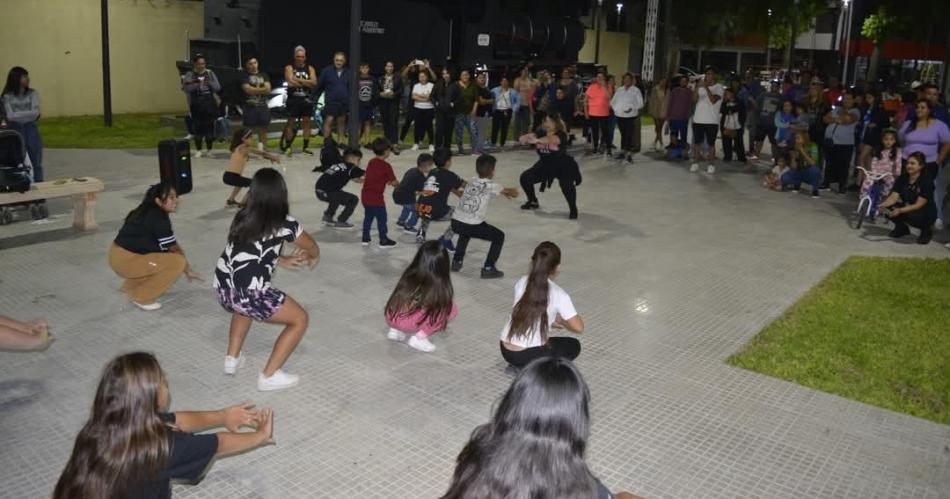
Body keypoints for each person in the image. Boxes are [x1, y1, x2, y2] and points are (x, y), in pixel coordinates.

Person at [53, 352, 274, 499]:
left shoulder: (99, 427)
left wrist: (222, 416)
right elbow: (220, 443)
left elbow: (178, 420)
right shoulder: (160, 447)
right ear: (149, 396)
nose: (167, 384)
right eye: (163, 381)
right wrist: (261, 435)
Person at [215, 168, 319, 391]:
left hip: (223, 288)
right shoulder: (285, 223)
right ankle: (269, 376)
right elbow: (309, 244)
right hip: (251, 294)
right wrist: (314, 255)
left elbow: (249, 250)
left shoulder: (242, 216)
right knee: (299, 319)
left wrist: (280, 259)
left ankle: (231, 360)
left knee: (243, 308)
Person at [109, 183, 202, 311]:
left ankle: (130, 287)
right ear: (158, 201)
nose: (176, 200)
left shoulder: (145, 210)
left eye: (176, 196)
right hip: (126, 261)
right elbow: (174, 249)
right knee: (177, 262)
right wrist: (187, 269)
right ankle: (141, 297)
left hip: (119, 256)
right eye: (171, 197)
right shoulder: (158, 218)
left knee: (160, 259)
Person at [498, 242, 584, 368]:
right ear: (557, 267)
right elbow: (579, 327)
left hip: (505, 349)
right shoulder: (559, 294)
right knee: (573, 345)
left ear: (533, 261)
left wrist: (551, 320)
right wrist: (562, 321)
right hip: (528, 355)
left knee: (543, 341)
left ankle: (519, 365)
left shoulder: (522, 281)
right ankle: (534, 369)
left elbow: (523, 311)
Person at [450, 154, 519, 279]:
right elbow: (510, 192)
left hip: (455, 222)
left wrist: (503, 192)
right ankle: (488, 268)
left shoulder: (471, 181)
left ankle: (457, 262)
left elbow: (481, 190)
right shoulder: (493, 185)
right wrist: (513, 192)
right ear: (492, 171)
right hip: (471, 224)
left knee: (465, 233)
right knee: (499, 236)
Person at [384, 240, 458, 352]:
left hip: (391, 318)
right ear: (443, 264)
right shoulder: (438, 283)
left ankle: (395, 331)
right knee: (451, 309)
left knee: (411, 305)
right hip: (410, 323)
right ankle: (419, 338)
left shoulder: (410, 273)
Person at [519, 115, 582, 219]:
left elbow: (551, 139)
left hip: (562, 165)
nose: (546, 124)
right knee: (525, 178)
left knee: (567, 186)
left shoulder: (561, 134)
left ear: (556, 123)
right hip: (545, 164)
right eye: (545, 122)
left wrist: (537, 141)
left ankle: (573, 208)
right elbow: (530, 135)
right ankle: (533, 201)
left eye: (550, 122)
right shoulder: (541, 131)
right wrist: (525, 137)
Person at [880, 152, 937, 244]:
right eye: (907, 163)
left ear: (921, 166)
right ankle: (901, 228)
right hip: (909, 207)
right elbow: (893, 197)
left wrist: (900, 210)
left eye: (912, 163)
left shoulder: (927, 181)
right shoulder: (902, 178)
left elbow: (918, 205)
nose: (908, 166)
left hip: (925, 212)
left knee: (911, 215)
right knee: (888, 209)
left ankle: (926, 231)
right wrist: (883, 205)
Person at [2, 66, 43, 182]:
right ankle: (22, 186)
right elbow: (9, 116)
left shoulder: (33, 93)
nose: (28, 79)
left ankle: (40, 191)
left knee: (36, 161)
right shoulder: (7, 96)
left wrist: (18, 114)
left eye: (27, 76)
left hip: (31, 129)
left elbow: (35, 113)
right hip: (15, 131)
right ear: (16, 78)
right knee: (18, 162)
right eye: (24, 76)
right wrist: (27, 114)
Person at [416, 147, 465, 243]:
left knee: (428, 204)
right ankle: (445, 240)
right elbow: (463, 184)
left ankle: (421, 233)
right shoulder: (450, 175)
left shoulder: (432, 172)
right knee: (462, 214)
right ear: (447, 162)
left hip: (420, 207)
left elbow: (446, 185)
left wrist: (458, 193)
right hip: (436, 211)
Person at [898, 99, 950, 182]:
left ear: (929, 110)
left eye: (923, 107)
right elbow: (901, 140)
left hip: (929, 164)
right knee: (905, 188)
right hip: (908, 162)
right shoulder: (908, 124)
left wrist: (938, 160)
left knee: (925, 190)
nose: (919, 110)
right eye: (917, 107)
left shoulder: (940, 125)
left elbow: (947, 143)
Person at [225, 128, 280, 207]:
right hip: (232, 176)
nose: (252, 139)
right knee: (255, 184)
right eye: (250, 138)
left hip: (229, 176)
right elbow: (262, 153)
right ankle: (244, 203)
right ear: (244, 139)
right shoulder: (244, 148)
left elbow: (261, 155)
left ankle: (231, 200)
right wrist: (273, 157)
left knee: (240, 182)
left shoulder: (238, 148)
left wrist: (269, 158)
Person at [361, 138, 399, 247]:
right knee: (382, 219)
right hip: (376, 198)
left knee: (368, 217)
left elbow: (373, 175)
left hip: (365, 196)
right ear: (386, 151)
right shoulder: (386, 166)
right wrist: (396, 183)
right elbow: (393, 181)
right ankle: (383, 239)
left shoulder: (371, 162)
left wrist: (385, 180)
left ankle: (365, 237)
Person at [279, 47, 317, 156]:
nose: (300, 59)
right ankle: (288, 146)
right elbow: (290, 83)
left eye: (302, 57)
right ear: (294, 57)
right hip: (293, 100)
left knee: (307, 123)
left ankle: (305, 147)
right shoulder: (289, 68)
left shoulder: (310, 68)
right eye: (298, 56)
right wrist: (307, 82)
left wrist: (298, 79)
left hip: (306, 100)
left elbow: (314, 82)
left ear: (305, 57)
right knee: (290, 123)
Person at [181, 55, 221, 158]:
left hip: (209, 103)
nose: (201, 66)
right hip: (196, 103)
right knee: (198, 127)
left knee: (209, 127)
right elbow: (185, 88)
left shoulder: (210, 73)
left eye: (203, 63)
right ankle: (198, 150)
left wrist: (209, 83)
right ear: (195, 64)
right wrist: (197, 84)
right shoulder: (190, 74)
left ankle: (209, 150)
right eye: (199, 64)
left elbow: (218, 87)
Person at [315, 147, 365, 228]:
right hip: (328, 192)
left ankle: (328, 216)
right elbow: (367, 174)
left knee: (337, 196)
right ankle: (341, 220)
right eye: (358, 160)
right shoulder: (350, 167)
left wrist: (364, 181)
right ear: (351, 158)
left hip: (320, 190)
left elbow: (355, 179)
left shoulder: (339, 165)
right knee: (353, 199)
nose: (359, 163)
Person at [822, 90, 861, 194]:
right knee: (829, 163)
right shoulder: (838, 109)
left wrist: (838, 117)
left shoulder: (855, 111)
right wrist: (837, 119)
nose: (846, 101)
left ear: (854, 100)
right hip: (831, 141)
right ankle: (826, 183)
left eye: (849, 99)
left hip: (845, 143)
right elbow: (825, 118)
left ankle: (842, 186)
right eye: (844, 99)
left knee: (843, 165)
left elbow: (847, 120)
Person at [859, 129, 900, 208]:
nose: (888, 142)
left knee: (889, 183)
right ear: (882, 140)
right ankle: (863, 197)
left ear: (895, 141)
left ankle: (881, 199)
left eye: (891, 139)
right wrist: (872, 172)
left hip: (887, 173)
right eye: (886, 139)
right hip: (876, 172)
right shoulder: (878, 150)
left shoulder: (897, 151)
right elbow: (874, 161)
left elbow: (898, 163)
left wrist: (897, 173)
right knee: (867, 181)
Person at [400, 59, 437, 145]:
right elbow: (402, 76)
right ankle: (401, 139)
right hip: (412, 101)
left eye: (424, 64)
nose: (422, 66)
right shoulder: (415, 74)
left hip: (426, 104)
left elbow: (435, 78)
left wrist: (429, 67)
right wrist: (409, 66)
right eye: (420, 64)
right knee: (408, 120)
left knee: (423, 122)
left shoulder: (428, 76)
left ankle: (420, 140)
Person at [316, 51, 350, 144]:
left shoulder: (348, 72)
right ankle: (327, 142)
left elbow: (351, 88)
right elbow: (320, 85)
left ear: (344, 61)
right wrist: (313, 96)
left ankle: (340, 142)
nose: (338, 62)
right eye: (337, 60)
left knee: (341, 122)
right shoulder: (327, 71)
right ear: (333, 60)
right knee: (329, 120)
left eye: (341, 60)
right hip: (331, 100)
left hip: (343, 102)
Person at [394, 153, 434, 232]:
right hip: (406, 196)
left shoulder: (412, 170)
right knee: (418, 210)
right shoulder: (420, 177)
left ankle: (401, 221)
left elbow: (408, 183)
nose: (431, 168)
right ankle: (409, 226)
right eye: (431, 165)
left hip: (397, 193)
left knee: (407, 207)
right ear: (425, 165)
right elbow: (422, 191)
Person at [240, 56, 272, 151]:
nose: (253, 65)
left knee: (263, 129)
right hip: (250, 106)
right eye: (250, 63)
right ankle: (247, 150)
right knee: (249, 130)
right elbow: (247, 90)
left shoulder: (264, 75)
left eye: (255, 63)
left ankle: (262, 149)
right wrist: (262, 89)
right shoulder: (244, 76)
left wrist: (255, 90)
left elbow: (268, 89)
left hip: (262, 105)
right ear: (246, 65)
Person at [611, 73, 644, 164]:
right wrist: (617, 110)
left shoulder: (636, 90)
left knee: (629, 134)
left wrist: (632, 108)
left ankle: (629, 154)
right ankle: (623, 151)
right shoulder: (619, 90)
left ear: (632, 80)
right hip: (620, 116)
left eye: (628, 79)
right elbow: (613, 102)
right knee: (623, 134)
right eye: (625, 79)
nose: (627, 81)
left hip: (630, 116)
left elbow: (640, 104)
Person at [857, 90, 891, 176]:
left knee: (862, 157)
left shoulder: (880, 110)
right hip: (864, 134)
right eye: (866, 98)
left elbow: (886, 123)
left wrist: (876, 125)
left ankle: (863, 178)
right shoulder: (866, 109)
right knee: (868, 159)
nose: (868, 100)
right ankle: (868, 177)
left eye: (870, 98)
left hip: (873, 136)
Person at [780, 129, 823, 197]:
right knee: (784, 177)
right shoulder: (795, 147)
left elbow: (813, 163)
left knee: (815, 170)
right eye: (796, 138)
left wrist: (802, 150)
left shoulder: (813, 146)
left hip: (809, 172)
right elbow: (794, 167)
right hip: (800, 171)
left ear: (805, 138)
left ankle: (815, 189)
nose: (796, 140)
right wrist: (793, 158)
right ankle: (797, 184)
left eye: (798, 138)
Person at [452, 69, 481, 155]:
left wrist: (474, 110)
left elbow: (476, 99)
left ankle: (475, 149)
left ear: (469, 76)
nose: (465, 76)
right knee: (459, 131)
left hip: (470, 112)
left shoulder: (473, 85)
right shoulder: (456, 85)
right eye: (463, 75)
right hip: (459, 112)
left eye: (466, 75)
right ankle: (460, 149)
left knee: (472, 130)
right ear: (460, 76)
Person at [376, 61, 403, 153]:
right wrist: (380, 94)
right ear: (385, 68)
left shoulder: (397, 78)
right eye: (388, 66)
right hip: (383, 102)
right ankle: (387, 143)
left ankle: (395, 143)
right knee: (385, 121)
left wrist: (394, 93)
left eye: (391, 66)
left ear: (393, 68)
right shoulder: (380, 78)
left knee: (393, 122)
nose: (389, 68)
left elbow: (401, 90)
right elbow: (376, 90)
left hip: (393, 102)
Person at [753, 80, 783, 162]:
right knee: (759, 140)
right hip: (761, 122)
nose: (774, 87)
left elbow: (782, 110)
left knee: (773, 142)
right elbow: (757, 106)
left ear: (779, 87)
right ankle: (756, 155)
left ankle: (774, 157)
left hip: (773, 124)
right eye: (773, 85)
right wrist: (756, 119)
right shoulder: (763, 94)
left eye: (776, 86)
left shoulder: (781, 97)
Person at [585, 72, 613, 156]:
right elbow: (585, 100)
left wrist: (604, 86)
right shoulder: (591, 87)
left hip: (604, 113)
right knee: (594, 131)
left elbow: (609, 97)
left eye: (601, 77)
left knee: (605, 132)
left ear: (604, 78)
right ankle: (595, 147)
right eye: (598, 77)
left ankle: (608, 147)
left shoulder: (608, 86)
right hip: (593, 113)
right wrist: (586, 112)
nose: (599, 79)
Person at [409, 70, 436, 151]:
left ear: (427, 77)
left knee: (429, 127)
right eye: (420, 76)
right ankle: (416, 143)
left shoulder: (431, 85)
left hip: (429, 108)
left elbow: (430, 97)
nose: (422, 78)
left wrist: (419, 96)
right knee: (417, 126)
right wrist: (424, 97)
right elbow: (413, 96)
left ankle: (431, 144)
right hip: (417, 108)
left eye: (423, 76)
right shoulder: (416, 85)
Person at [490, 75, 520, 148]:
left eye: (506, 81)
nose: (504, 83)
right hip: (497, 111)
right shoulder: (494, 90)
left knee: (505, 128)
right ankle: (493, 142)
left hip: (507, 111)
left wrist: (514, 109)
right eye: (503, 81)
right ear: (500, 82)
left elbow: (518, 101)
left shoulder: (513, 91)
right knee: (495, 127)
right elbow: (489, 97)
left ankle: (502, 143)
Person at [667, 75, 692, 158]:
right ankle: (675, 151)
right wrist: (669, 115)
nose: (683, 83)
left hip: (683, 118)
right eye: (681, 81)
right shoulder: (675, 90)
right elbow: (670, 103)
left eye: (685, 81)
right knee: (674, 135)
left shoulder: (689, 92)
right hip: (673, 117)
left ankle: (684, 153)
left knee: (683, 136)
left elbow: (689, 105)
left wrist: (687, 115)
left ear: (687, 82)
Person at [720, 87, 747, 162]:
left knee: (739, 143)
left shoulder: (740, 101)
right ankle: (727, 157)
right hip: (726, 126)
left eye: (726, 94)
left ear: (732, 94)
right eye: (724, 94)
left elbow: (740, 110)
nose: (725, 95)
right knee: (726, 143)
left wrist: (730, 110)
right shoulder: (724, 103)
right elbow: (723, 110)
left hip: (737, 126)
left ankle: (741, 158)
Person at [433, 67, 456, 150]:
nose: (445, 75)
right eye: (443, 74)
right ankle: (438, 148)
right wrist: (435, 103)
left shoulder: (454, 85)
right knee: (439, 130)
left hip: (450, 112)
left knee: (448, 131)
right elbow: (432, 96)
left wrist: (453, 103)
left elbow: (459, 98)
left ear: (450, 74)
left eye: (447, 73)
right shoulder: (438, 84)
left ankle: (447, 148)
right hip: (439, 111)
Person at [356, 62, 377, 147]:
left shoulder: (372, 79)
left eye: (366, 68)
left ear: (368, 69)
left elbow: (375, 92)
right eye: (362, 68)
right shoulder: (357, 79)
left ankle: (367, 142)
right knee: (358, 123)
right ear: (359, 69)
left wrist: (373, 103)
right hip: (359, 104)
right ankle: (356, 141)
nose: (364, 70)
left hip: (368, 104)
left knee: (367, 123)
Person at [513, 67, 537, 140]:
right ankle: (517, 138)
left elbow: (535, 86)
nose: (525, 73)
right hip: (519, 104)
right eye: (524, 71)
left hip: (527, 104)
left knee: (526, 122)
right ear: (521, 72)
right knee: (517, 123)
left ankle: (524, 138)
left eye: (527, 71)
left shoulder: (529, 80)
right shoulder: (517, 80)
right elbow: (515, 92)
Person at [648, 76, 669, 151]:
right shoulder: (655, 89)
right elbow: (651, 101)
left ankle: (655, 142)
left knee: (660, 128)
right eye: (662, 81)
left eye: (665, 82)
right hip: (656, 111)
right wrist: (650, 110)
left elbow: (668, 102)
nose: (663, 83)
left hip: (663, 111)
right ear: (659, 81)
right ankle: (661, 143)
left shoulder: (667, 90)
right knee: (658, 127)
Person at [473, 72, 494, 151]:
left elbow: (492, 101)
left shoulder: (486, 88)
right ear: (477, 79)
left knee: (482, 131)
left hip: (485, 113)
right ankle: (477, 148)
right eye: (480, 77)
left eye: (483, 77)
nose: (482, 79)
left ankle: (480, 147)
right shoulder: (476, 88)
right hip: (478, 112)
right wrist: (489, 101)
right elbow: (481, 101)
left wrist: (487, 101)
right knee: (478, 131)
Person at [773, 99, 797, 165]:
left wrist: (789, 126)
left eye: (788, 105)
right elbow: (777, 123)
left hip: (790, 140)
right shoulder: (779, 113)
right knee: (779, 156)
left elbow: (794, 127)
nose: (786, 107)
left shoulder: (793, 116)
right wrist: (788, 125)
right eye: (785, 106)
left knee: (787, 158)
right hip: (779, 138)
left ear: (792, 107)